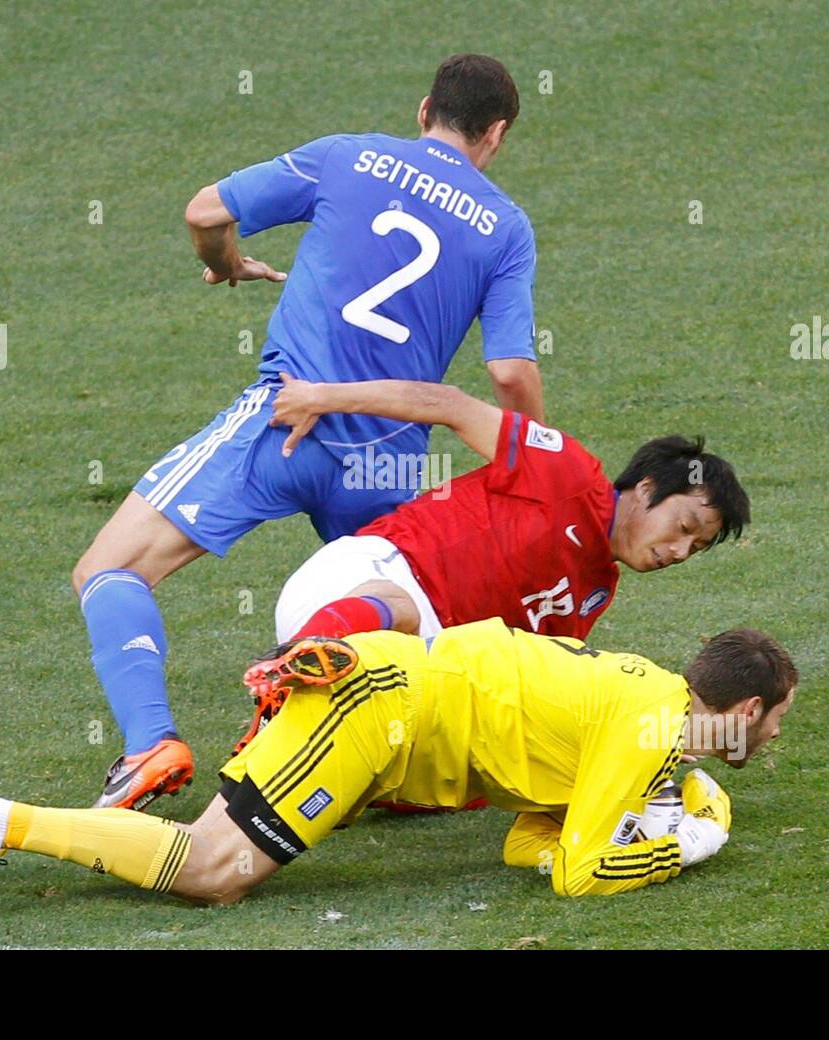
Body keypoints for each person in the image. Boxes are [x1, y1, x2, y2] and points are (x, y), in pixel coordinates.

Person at [72, 55, 544, 812]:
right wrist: (539, 462)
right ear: (496, 135)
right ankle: (392, 771)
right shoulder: (507, 229)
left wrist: (225, 264)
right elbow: (512, 374)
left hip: (286, 422)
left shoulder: (347, 156)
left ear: (424, 110)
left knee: (109, 570)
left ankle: (150, 742)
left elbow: (204, 213)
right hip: (386, 465)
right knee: (396, 619)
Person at [0, 622, 797, 927]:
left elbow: (535, 840)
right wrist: (687, 844)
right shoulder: (647, 728)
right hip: (378, 710)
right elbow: (575, 874)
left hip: (382, 696)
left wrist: (653, 812)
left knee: (213, 863)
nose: (777, 738)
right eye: (780, 719)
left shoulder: (649, 708)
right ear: (746, 712)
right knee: (215, 873)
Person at [230, 373, 750, 758]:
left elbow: (536, 688)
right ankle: (286, 681)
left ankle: (315, 749)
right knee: (405, 616)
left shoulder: (595, 590)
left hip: (398, 667)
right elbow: (447, 404)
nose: (681, 552)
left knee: (450, 750)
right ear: (646, 488)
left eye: (696, 549)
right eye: (684, 528)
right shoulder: (567, 472)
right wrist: (322, 397)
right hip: (352, 587)